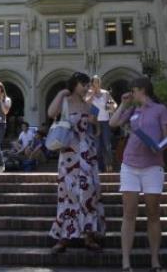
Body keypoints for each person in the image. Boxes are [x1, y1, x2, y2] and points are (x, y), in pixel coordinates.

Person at [109, 76, 167, 272]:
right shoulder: (132, 109)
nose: (132, 94)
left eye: (133, 91)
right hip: (130, 165)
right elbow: (113, 123)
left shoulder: (160, 109)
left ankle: (155, 261)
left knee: (153, 213)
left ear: (142, 89)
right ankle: (126, 262)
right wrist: (123, 103)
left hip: (153, 166)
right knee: (129, 213)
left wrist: (159, 146)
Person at [47, 71, 105, 253]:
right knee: (68, 195)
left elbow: (96, 128)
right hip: (69, 155)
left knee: (88, 194)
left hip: (87, 154)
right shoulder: (65, 101)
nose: (87, 87)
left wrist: (95, 122)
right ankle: (63, 237)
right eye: (84, 84)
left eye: (88, 84)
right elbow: (51, 113)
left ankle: (89, 236)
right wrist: (60, 93)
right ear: (74, 83)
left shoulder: (89, 104)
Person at [87, 75, 117, 172]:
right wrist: (92, 93)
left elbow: (113, 105)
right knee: (97, 146)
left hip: (105, 121)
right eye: (94, 82)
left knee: (107, 144)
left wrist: (111, 107)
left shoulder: (105, 93)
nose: (96, 84)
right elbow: (86, 104)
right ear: (91, 84)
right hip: (94, 123)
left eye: (98, 82)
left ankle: (109, 165)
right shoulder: (89, 93)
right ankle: (99, 167)